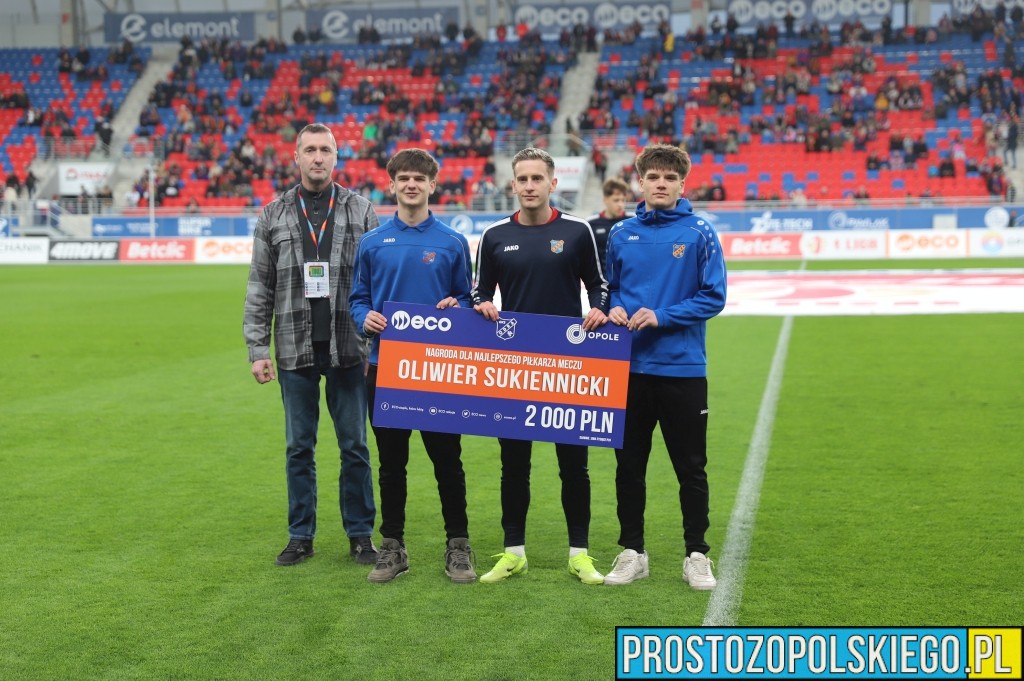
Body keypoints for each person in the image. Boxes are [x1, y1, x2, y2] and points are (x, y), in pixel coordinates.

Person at [470, 147, 609, 585]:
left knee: (574, 465)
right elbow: (479, 292)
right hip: (516, 367)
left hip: (569, 366)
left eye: (537, 178)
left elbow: (599, 286)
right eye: (522, 179)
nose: (529, 186)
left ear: (553, 183)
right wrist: (482, 305)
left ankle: (579, 554)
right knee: (514, 465)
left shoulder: (577, 231)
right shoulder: (494, 235)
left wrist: (599, 309)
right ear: (512, 184)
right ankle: (514, 553)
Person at [244, 123, 379, 567]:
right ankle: (300, 535)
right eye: (310, 150)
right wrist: (257, 349)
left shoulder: (361, 210)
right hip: (293, 347)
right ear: (296, 157)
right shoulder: (273, 214)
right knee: (298, 448)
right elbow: (259, 286)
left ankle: (360, 534)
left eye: (325, 150)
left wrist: (376, 346)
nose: (318, 157)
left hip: (349, 348)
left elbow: (376, 284)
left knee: (355, 447)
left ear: (336, 157)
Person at [601, 143, 727, 590]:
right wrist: (614, 308)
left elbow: (714, 296)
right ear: (640, 182)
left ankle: (697, 554)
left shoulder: (700, 232)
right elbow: (610, 288)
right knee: (628, 467)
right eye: (653, 177)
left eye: (669, 178)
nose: (660, 184)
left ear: (681, 185)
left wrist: (662, 316)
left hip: (682, 368)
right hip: (629, 369)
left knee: (691, 467)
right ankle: (633, 552)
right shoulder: (621, 233)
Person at [348, 149, 477, 584]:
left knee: (448, 461)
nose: (411, 184)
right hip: (386, 369)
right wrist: (364, 317)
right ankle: (393, 546)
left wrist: (457, 306)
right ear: (391, 185)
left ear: (432, 185)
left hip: (438, 371)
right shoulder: (372, 242)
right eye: (403, 178)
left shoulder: (452, 241)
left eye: (419, 179)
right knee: (391, 464)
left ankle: (458, 545)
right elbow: (358, 298)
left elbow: (467, 297)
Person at [587, 177, 633, 267]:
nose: (620, 204)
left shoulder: (632, 220)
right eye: (616, 200)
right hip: (602, 275)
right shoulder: (591, 223)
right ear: (605, 200)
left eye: (623, 200)